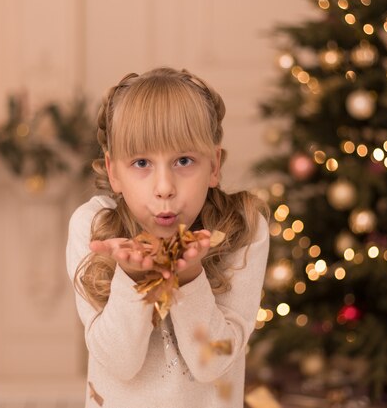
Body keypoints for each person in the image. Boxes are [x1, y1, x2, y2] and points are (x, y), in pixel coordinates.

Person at [66, 67, 270, 408]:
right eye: (142, 162)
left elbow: (212, 363)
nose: (164, 188)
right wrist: (131, 278)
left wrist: (189, 279)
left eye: (184, 160)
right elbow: (119, 362)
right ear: (113, 171)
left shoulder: (243, 228)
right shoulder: (93, 226)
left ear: (214, 166)